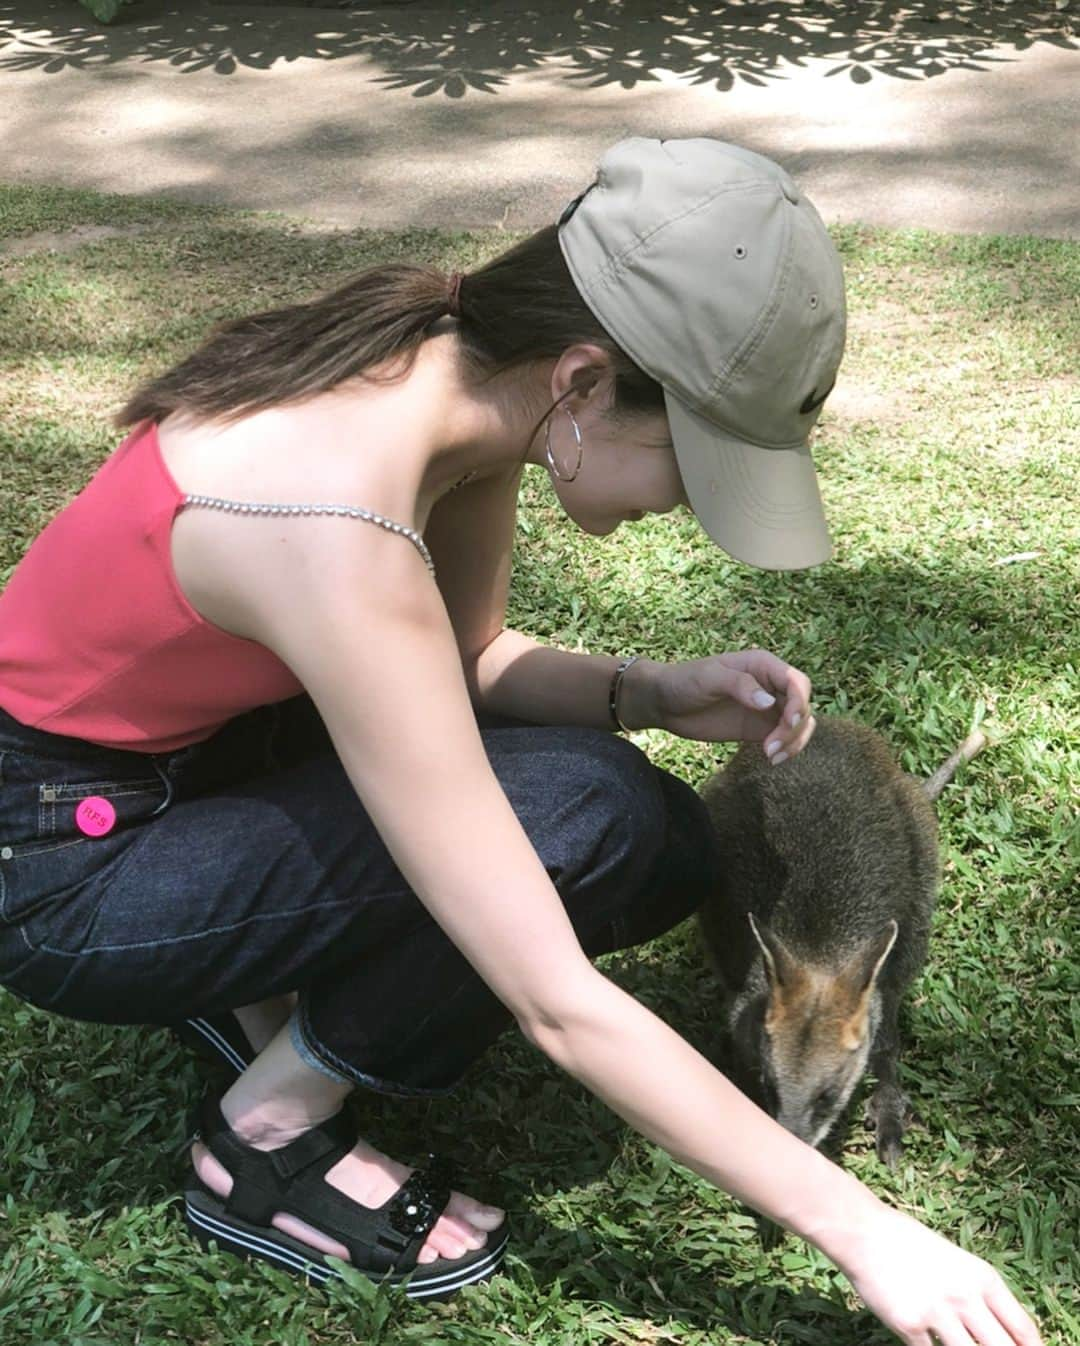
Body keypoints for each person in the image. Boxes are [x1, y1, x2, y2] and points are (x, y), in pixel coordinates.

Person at [0, 138, 1041, 1340]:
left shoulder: (458, 378)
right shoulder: (329, 524)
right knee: (588, 819)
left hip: (204, 760)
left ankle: (251, 974)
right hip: (65, 860)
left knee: (648, 826)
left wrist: (652, 688)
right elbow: (554, 999)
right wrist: (869, 1232)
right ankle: (267, 1140)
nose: (691, 509)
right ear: (587, 383)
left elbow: (459, 659)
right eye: (696, 466)